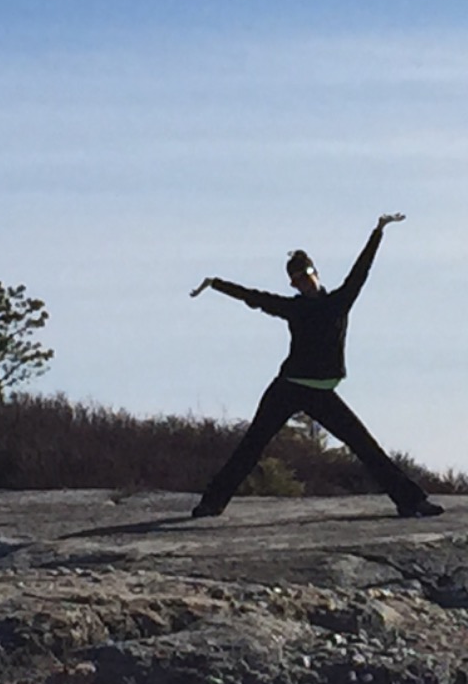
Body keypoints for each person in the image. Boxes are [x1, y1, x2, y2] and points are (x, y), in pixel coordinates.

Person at [189, 213, 444, 519]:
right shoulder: (294, 308)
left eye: (305, 273)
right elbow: (254, 297)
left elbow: (360, 271)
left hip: (322, 393)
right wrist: (215, 284)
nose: (302, 280)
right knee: (251, 446)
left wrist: (378, 232)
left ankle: (411, 501)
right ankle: (211, 504)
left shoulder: (339, 301)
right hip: (287, 389)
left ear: (315, 271)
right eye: (296, 279)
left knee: (364, 445)